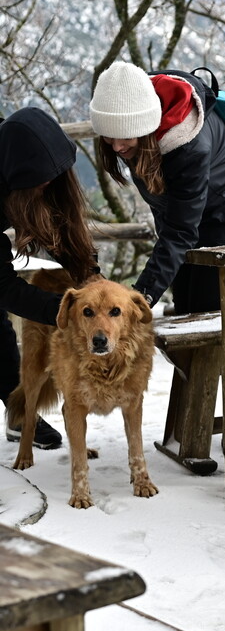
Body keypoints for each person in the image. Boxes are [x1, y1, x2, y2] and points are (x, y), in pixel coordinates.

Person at [89, 62, 225, 445]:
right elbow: (175, 220)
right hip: (181, 213)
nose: (116, 147)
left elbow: (180, 232)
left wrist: (137, 301)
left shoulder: (187, 144)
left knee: (206, 311)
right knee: (189, 306)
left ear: (147, 126)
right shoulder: (131, 109)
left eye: (124, 138)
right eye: (108, 137)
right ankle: (196, 418)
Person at [0, 107, 99, 448]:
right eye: (41, 181)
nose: (49, 185)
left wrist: (92, 282)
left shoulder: (20, 156)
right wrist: (65, 309)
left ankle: (18, 415)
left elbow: (62, 230)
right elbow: (3, 287)